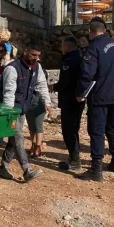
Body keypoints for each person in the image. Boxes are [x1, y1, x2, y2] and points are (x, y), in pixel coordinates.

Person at [75, 17, 114, 181]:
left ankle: (96, 168)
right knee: (112, 128)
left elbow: (87, 74)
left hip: (101, 96)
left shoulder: (93, 48)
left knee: (97, 131)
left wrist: (81, 94)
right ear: (104, 30)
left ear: (91, 32)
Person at [0, 41, 53, 182]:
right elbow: (9, 93)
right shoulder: (12, 69)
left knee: (13, 140)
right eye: (33, 54)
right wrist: (9, 115)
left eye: (38, 55)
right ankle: (27, 170)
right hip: (11, 110)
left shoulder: (36, 67)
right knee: (18, 137)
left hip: (22, 109)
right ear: (25, 51)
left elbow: (42, 86)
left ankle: (3, 167)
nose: (36, 58)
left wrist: (48, 104)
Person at [49, 36, 85, 170]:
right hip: (78, 100)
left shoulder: (69, 61)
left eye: (62, 46)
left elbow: (65, 82)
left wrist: (54, 87)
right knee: (74, 128)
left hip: (69, 101)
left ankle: (75, 159)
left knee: (68, 130)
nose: (61, 48)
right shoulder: (80, 58)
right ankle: (73, 157)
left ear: (67, 47)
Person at [26, 64, 48, 158]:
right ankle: (33, 145)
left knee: (38, 125)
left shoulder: (41, 73)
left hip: (39, 101)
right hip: (29, 101)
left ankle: (38, 147)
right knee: (31, 125)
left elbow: (43, 89)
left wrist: (48, 104)